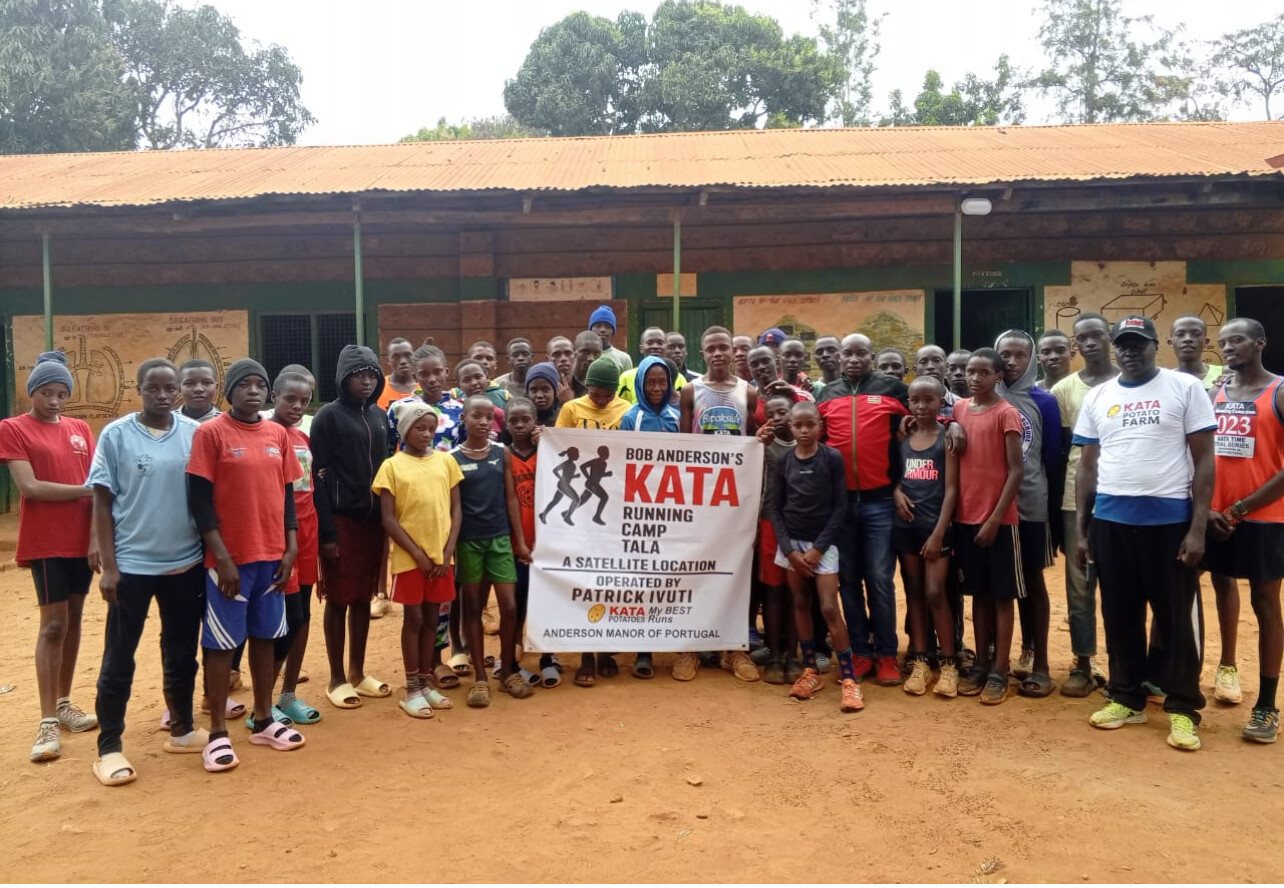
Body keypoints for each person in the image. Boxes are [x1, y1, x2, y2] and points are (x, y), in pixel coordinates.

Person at [1075, 315, 1215, 752]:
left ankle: (1183, 706)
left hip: (1169, 524)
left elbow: (1205, 460)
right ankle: (1126, 696)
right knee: (1119, 614)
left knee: (1176, 619)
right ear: (1114, 348)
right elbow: (1087, 467)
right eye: (1124, 344)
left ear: (1157, 345)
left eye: (1139, 343)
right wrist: (1082, 530)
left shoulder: (1184, 388)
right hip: (1111, 522)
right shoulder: (1099, 396)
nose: (1131, 351)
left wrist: (1197, 528)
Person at [88, 359, 204, 785]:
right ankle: (109, 748)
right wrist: (109, 566)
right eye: (152, 388)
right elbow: (102, 503)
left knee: (181, 651)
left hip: (186, 563)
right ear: (138, 390)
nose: (162, 395)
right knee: (119, 657)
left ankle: (183, 728)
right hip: (132, 567)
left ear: (178, 391)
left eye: (169, 388)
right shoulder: (116, 435)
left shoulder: (194, 433)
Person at [187, 358, 303, 772]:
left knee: (266, 637)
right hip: (230, 561)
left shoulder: (277, 434)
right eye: (244, 384)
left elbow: (287, 495)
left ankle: (264, 718)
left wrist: (290, 547)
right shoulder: (211, 433)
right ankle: (217, 732)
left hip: (272, 556)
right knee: (222, 644)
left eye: (260, 385)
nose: (253, 391)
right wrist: (221, 557)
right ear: (229, 391)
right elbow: (199, 502)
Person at [0, 351, 97, 763]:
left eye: (61, 393)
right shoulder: (12, 428)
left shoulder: (80, 429)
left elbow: (98, 483)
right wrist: (86, 491)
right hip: (46, 542)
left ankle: (64, 703)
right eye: (46, 392)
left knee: (73, 620)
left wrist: (96, 538)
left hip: (82, 540)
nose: (54, 401)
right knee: (53, 625)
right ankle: (46, 721)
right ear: (32, 392)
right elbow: (31, 487)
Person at [1203, 318, 1284, 743]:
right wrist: (1210, 509)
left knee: (1266, 602)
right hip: (1216, 516)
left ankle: (1267, 705)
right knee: (1220, 586)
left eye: (1237, 340)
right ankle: (1226, 666)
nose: (1229, 347)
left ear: (1260, 343)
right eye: (1223, 342)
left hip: (1264, 517)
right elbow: (1201, 454)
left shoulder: (1279, 391)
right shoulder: (1215, 393)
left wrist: (1240, 509)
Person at [816, 333, 910, 686]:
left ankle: (886, 654)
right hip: (840, 507)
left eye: (861, 353)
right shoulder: (827, 394)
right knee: (849, 581)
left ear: (872, 356)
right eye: (848, 353)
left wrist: (952, 424)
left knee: (881, 580)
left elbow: (924, 416)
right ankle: (860, 652)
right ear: (840, 357)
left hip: (880, 503)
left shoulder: (893, 390)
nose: (854, 359)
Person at [311, 346, 390, 712]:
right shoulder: (328, 416)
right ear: (343, 378)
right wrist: (326, 532)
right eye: (359, 375)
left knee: (361, 598)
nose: (367, 381)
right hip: (341, 521)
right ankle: (337, 678)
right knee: (339, 599)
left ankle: (358, 672)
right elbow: (317, 476)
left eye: (372, 375)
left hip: (372, 522)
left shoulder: (379, 416)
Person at [771, 401, 864, 712]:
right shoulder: (784, 461)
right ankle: (810, 671)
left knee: (828, 607)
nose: (804, 430)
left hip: (824, 545)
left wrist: (818, 548)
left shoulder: (831, 458)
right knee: (800, 602)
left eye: (810, 424)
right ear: (791, 427)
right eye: (798, 425)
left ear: (820, 426)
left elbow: (840, 507)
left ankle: (850, 679)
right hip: (792, 547)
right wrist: (789, 551)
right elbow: (775, 507)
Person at [679, 326, 760, 683]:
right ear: (702, 353)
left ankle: (734, 649)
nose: (717, 353)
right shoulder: (690, 391)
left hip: (735, 496)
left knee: (736, 569)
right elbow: (683, 446)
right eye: (710, 348)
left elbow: (752, 443)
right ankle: (689, 648)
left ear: (733, 351)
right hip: (699, 496)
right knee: (694, 567)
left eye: (723, 347)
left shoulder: (748, 392)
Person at [374, 402, 462, 719]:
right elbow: (388, 519)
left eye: (430, 429)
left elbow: (456, 509)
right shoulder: (392, 467)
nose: (426, 434)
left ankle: (425, 684)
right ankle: (411, 689)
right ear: (404, 430)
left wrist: (447, 551)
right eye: (419, 428)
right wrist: (418, 554)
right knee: (413, 620)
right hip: (410, 560)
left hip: (441, 559)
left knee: (432, 621)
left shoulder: (446, 462)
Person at [952, 348, 1024, 706]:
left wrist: (996, 518)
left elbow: (1016, 470)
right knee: (978, 594)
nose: (974, 378)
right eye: (970, 371)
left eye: (983, 372)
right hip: (965, 518)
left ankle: (999, 669)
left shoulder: (1007, 413)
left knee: (1001, 596)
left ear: (998, 376)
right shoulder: (960, 409)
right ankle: (980, 663)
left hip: (999, 522)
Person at [996, 330, 1065, 698]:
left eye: (1019, 355)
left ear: (1031, 358)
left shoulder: (1044, 402)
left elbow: (1051, 457)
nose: (1011, 362)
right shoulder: (983, 397)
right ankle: (1000, 658)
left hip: (1031, 505)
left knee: (1033, 581)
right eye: (1004, 354)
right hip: (990, 507)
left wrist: (1051, 514)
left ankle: (1040, 663)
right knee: (999, 582)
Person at [452, 396, 532, 707]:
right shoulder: (453, 459)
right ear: (464, 418)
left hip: (500, 541)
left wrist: (520, 542)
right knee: (472, 607)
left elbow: (511, 499)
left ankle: (508, 670)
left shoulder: (502, 452)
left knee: (509, 607)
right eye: (477, 416)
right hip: (469, 543)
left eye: (489, 417)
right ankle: (480, 679)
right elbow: (455, 508)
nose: (484, 422)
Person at [1051, 313, 1116, 697]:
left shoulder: (1130, 382)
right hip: (1076, 498)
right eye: (1083, 338)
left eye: (1097, 336)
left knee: (1121, 583)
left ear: (1109, 338)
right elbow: (1063, 451)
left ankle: (1124, 664)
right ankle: (1083, 661)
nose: (1090, 343)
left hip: (1122, 496)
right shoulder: (1065, 389)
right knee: (1079, 585)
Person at [894, 376, 960, 698]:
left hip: (936, 529)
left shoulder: (946, 438)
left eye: (928, 400)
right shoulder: (903, 437)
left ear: (940, 402)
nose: (921, 406)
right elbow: (894, 475)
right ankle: (921, 660)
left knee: (935, 591)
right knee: (915, 592)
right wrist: (896, 492)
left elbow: (952, 490)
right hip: (907, 527)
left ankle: (949, 663)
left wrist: (939, 533)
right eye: (915, 400)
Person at [619, 356, 682, 680]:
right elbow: (623, 462)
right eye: (650, 382)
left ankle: (676, 640)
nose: (657, 388)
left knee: (671, 577)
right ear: (640, 384)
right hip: (641, 508)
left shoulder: (677, 416)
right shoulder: (632, 418)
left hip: (673, 507)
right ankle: (643, 649)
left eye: (662, 382)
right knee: (643, 578)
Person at [268, 369, 322, 726]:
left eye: (304, 401)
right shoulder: (264, 433)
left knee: (303, 616)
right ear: (274, 396)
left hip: (308, 535)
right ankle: (263, 700)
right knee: (282, 620)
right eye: (290, 399)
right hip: (276, 538)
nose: (297, 406)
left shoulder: (304, 436)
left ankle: (288, 695)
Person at [501, 398, 558, 687]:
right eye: (514, 420)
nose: (520, 425)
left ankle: (548, 657)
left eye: (526, 420)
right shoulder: (503, 456)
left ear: (536, 421)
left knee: (546, 602)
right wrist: (520, 543)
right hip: (516, 544)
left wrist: (549, 441)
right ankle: (510, 661)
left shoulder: (547, 452)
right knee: (516, 603)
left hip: (546, 544)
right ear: (506, 424)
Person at [754, 393, 800, 685]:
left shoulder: (808, 445)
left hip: (800, 526)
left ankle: (793, 655)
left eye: (782, 411)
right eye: (771, 414)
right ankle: (773, 655)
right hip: (770, 523)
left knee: (795, 592)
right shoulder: (761, 447)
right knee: (773, 591)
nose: (777, 418)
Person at [388, 344, 462, 453]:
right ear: (415, 377)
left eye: (437, 372)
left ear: (446, 372)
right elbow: (388, 451)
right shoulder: (399, 408)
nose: (432, 379)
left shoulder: (461, 411)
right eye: (424, 374)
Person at [556, 357, 630, 432]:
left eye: (609, 396)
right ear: (587, 387)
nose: (601, 401)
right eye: (595, 395)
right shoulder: (571, 409)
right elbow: (559, 437)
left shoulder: (626, 410)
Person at [747, 345, 812, 428]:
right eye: (754, 365)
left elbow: (812, 426)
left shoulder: (803, 396)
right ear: (749, 370)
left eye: (766, 361)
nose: (761, 367)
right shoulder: (749, 401)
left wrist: (793, 397)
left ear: (777, 362)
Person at [617, 327, 687, 404]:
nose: (655, 346)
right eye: (649, 343)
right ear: (641, 348)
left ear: (666, 347)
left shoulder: (679, 378)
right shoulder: (626, 377)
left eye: (660, 343)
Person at [1169, 315, 1225, 390]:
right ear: (1170, 342)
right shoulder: (1165, 381)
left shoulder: (1224, 374)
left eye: (1196, 334)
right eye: (1180, 334)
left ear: (1206, 342)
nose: (1187, 339)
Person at [914, 345, 958, 417]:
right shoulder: (908, 405)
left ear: (947, 368)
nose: (930, 366)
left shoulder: (961, 405)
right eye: (923, 362)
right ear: (916, 370)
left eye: (937, 361)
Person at [589, 305, 632, 373]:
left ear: (613, 331)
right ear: (591, 329)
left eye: (607, 326)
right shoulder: (584, 356)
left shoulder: (624, 358)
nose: (602, 330)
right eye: (598, 326)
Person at [377, 338, 417, 411]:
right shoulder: (379, 388)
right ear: (388, 360)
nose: (403, 361)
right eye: (396, 357)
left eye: (408, 356)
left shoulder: (424, 386)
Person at [179, 359, 221, 425]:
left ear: (216, 387)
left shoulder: (227, 424)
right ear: (179, 388)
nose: (198, 389)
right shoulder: (167, 422)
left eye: (207, 383)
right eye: (189, 383)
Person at [524, 362, 563, 427]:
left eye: (545, 390)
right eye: (534, 390)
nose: (540, 395)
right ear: (527, 393)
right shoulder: (520, 420)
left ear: (555, 391)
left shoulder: (564, 418)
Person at [546, 335, 581, 401]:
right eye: (556, 355)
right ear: (548, 359)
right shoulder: (541, 392)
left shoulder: (588, 390)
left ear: (575, 356)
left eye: (568, 354)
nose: (563, 358)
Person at [571, 331, 604, 395]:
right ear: (574, 352)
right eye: (585, 352)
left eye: (596, 353)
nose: (591, 358)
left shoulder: (605, 385)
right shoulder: (563, 383)